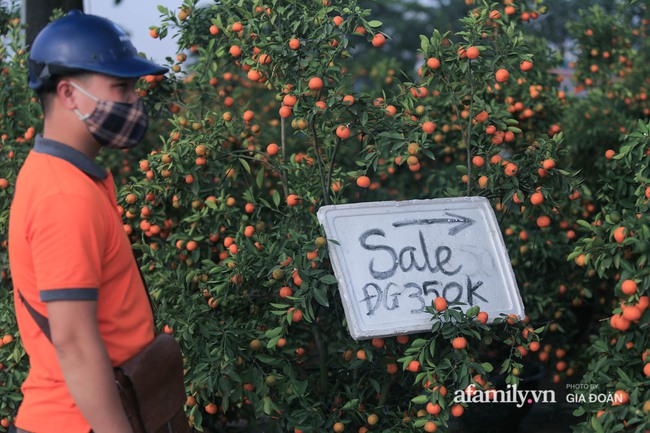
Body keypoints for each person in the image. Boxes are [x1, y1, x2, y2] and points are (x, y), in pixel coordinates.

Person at [8, 10, 167, 433]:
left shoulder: (73, 176)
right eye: (121, 86)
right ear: (69, 94)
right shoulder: (64, 195)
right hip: (80, 422)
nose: (134, 100)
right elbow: (75, 343)